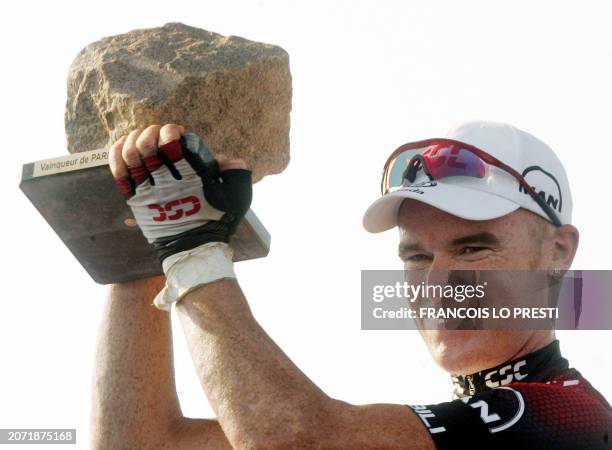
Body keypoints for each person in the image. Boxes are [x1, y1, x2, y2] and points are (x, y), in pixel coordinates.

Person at [91, 121, 611, 449]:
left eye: (473, 248)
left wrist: (193, 251)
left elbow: (299, 441)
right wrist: (143, 243)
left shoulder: (567, 419)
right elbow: (138, 441)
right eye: (416, 255)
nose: (437, 283)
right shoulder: (470, 424)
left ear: (558, 253)